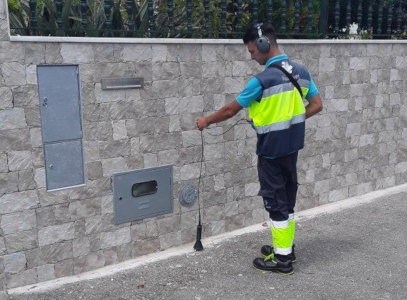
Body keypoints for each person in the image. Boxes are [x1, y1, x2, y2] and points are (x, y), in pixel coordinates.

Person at [196, 23, 323, 275]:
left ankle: (283, 260)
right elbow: (316, 104)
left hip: (271, 153)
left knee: (275, 202)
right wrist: (290, 122)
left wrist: (206, 121)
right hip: (291, 149)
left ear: (264, 45)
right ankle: (285, 247)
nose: (252, 57)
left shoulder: (262, 80)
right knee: (286, 200)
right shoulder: (301, 72)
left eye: (252, 51)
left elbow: (231, 109)